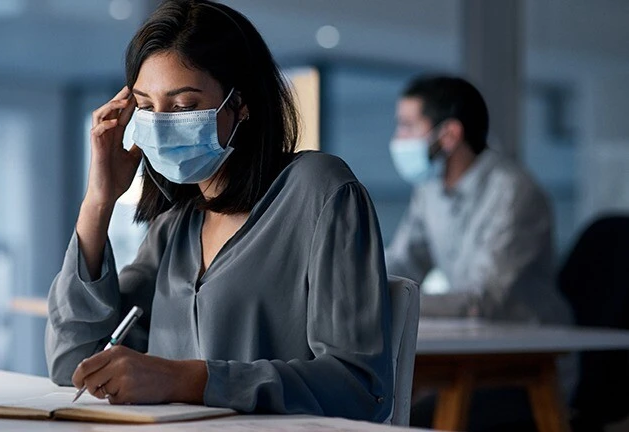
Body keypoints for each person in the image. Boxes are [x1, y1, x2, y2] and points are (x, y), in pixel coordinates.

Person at [45, 0, 393, 421]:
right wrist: (98, 201)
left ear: (240, 103)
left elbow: (360, 389)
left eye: (183, 105)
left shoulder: (319, 190)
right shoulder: (174, 226)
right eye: (146, 107)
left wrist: (185, 380)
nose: (161, 123)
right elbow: (73, 363)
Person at [386, 75, 571, 324]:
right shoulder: (429, 189)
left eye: (407, 126)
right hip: (474, 334)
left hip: (529, 341)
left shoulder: (513, 192)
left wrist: (390, 300)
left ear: (449, 135)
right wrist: (363, 287)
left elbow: (483, 300)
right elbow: (404, 261)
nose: (398, 138)